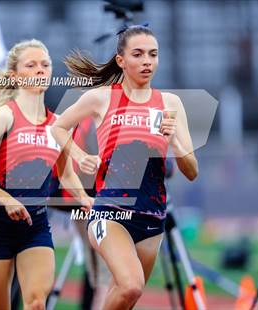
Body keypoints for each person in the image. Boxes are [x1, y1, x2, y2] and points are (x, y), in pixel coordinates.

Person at [51, 24, 198, 309]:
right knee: (131, 286)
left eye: (153, 55)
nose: (147, 62)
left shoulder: (170, 103)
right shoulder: (101, 98)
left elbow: (192, 171)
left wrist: (176, 144)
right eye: (139, 54)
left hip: (152, 217)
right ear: (121, 60)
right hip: (110, 212)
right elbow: (58, 127)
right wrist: (78, 154)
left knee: (125, 295)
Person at [0, 39, 92, 310]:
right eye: (31, 65)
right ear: (14, 76)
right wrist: (6, 199)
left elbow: (66, 175)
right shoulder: (4, 117)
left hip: (36, 227)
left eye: (45, 65)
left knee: (35, 304)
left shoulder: (59, 124)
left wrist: (84, 199)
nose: (40, 70)